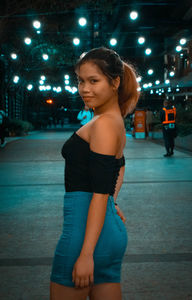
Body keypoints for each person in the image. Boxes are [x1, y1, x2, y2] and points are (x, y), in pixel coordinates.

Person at [50, 47, 140, 300]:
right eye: (80, 81)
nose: (84, 89)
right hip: (107, 233)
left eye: (93, 81)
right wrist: (114, 198)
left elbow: (99, 195)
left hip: (84, 236)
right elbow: (119, 165)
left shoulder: (102, 125)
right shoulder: (113, 120)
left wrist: (86, 254)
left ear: (115, 82)